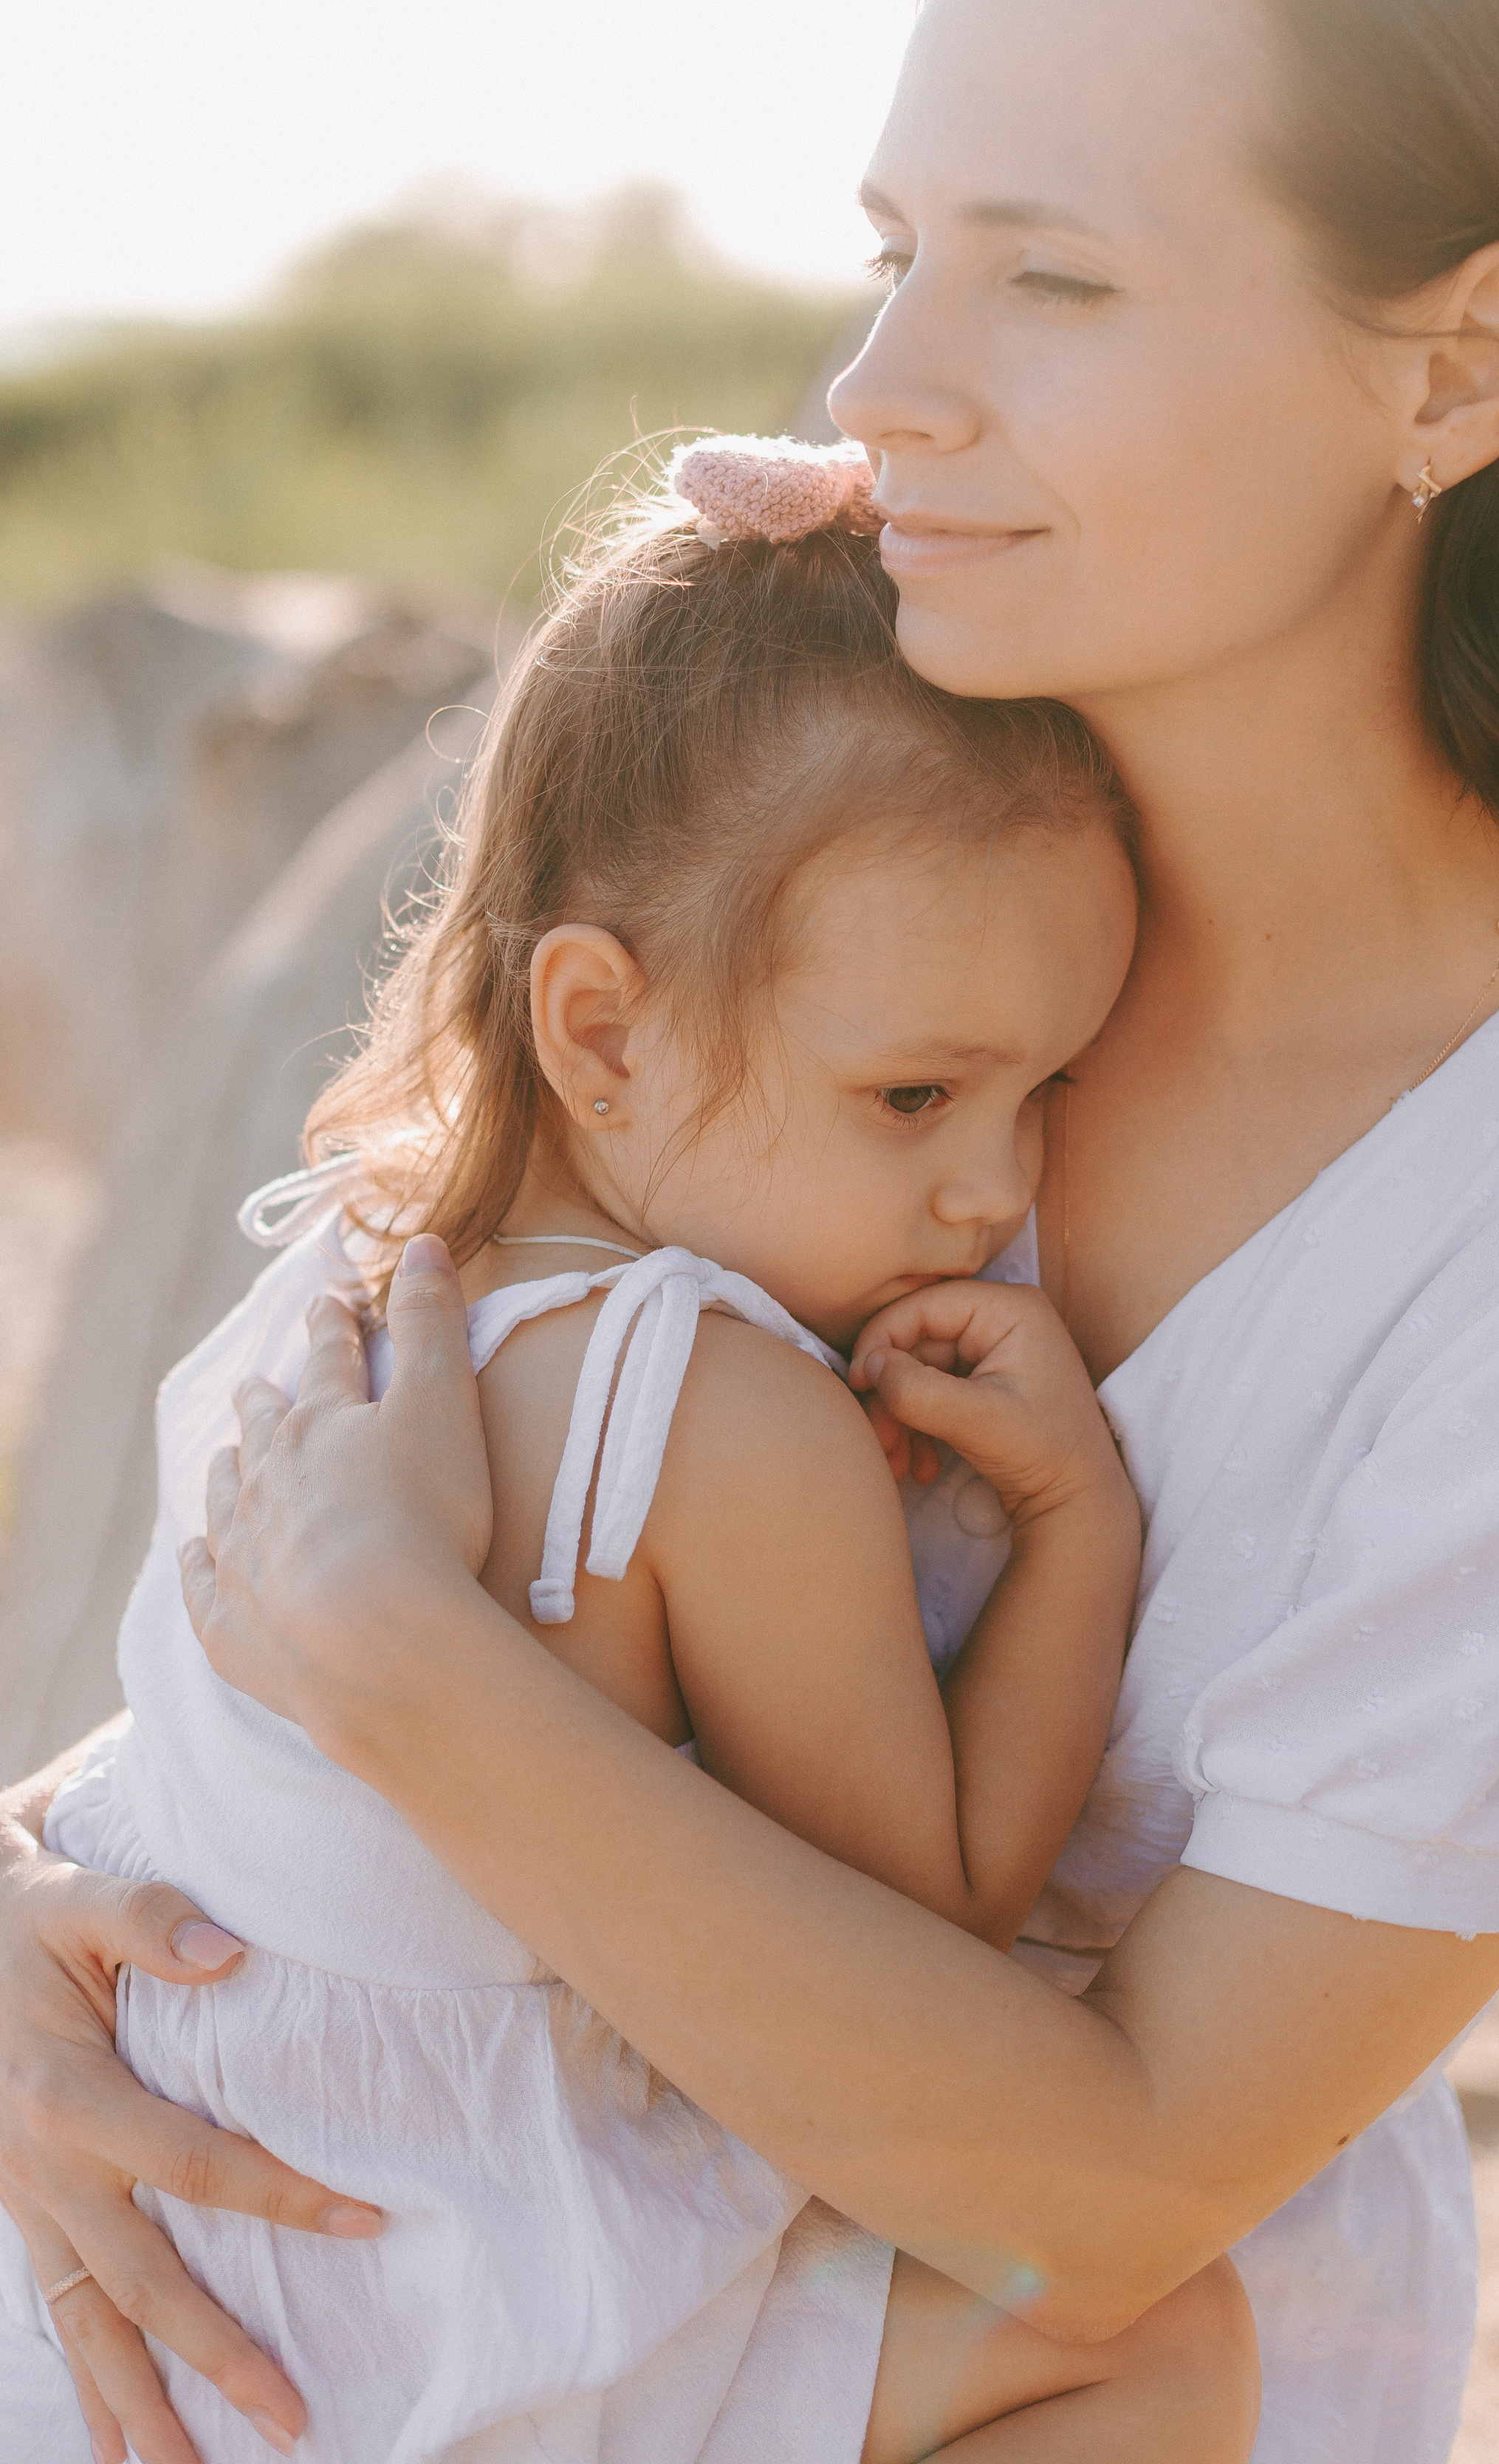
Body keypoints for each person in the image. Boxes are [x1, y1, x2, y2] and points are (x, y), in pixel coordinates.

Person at [4, 0, 1499, 2464]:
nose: (887, 384)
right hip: (364, 2279)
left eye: (1055, 277)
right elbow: (345, 1469)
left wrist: (429, 1697)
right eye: (898, 256)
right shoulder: (810, 845)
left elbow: (1101, 2214)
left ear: (1454, 368)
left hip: (1022, 2379)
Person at [0, 439, 1271, 2460]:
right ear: (600, 1031)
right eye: (916, 1095)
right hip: (398, 2281)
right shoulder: (716, 1419)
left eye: (1044, 1094)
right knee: (1160, 2353)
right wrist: (1077, 1541)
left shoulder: (350, 1266)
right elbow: (914, 1978)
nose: (992, 1191)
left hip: (161, 2198)